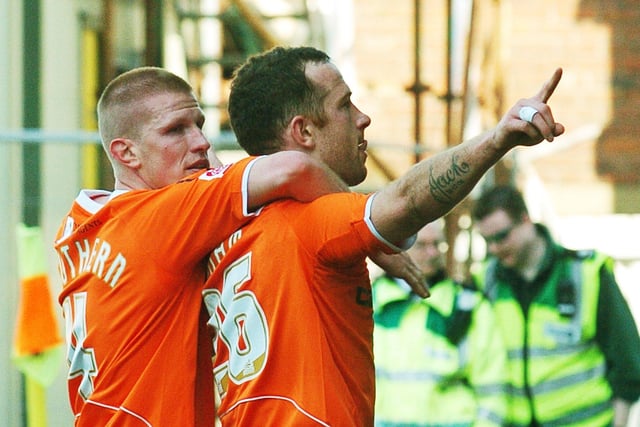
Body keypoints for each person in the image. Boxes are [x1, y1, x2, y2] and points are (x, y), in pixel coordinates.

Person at [202, 46, 565, 426]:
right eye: (345, 105)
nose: (363, 118)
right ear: (304, 131)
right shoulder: (311, 222)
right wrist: (499, 138)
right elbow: (406, 202)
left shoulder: (215, 222)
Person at [53, 66, 361, 426]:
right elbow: (293, 168)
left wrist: (203, 170)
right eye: (175, 130)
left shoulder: (78, 225)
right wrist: (376, 239)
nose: (201, 142)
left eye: (198, 124)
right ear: (127, 153)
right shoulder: (159, 219)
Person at [471, 185, 640, 427]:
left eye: (501, 236)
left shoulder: (586, 274)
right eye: (487, 240)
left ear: (525, 221)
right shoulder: (485, 282)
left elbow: (628, 366)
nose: (494, 248)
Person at [371, 220, 508, 426]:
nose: (433, 253)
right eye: (422, 245)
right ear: (396, 249)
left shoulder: (468, 306)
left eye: (438, 245)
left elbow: (492, 391)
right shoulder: (369, 303)